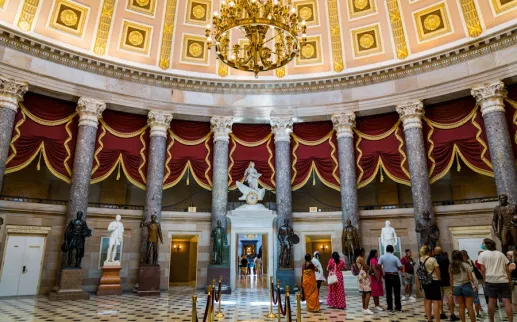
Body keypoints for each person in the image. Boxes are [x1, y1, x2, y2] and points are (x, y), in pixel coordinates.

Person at [477, 238, 513, 322]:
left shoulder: (482, 255)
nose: (482, 244)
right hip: (503, 280)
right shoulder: (501, 254)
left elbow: (482, 270)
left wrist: (484, 280)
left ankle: (491, 320)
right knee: (506, 301)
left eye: (483, 243)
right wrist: (509, 279)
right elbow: (507, 268)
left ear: (486, 245)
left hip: (490, 280)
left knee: (491, 301)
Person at [450, 250, 476, 322]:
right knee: (470, 307)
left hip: (456, 287)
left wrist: (451, 289)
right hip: (466, 285)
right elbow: (470, 278)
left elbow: (451, 279)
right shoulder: (466, 265)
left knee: (461, 307)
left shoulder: (451, 267)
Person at [378, 244, 405, 312]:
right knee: (397, 292)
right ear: (392, 250)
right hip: (395, 275)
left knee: (388, 292)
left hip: (387, 276)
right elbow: (400, 267)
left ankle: (390, 307)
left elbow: (378, 266)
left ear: (386, 250)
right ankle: (398, 307)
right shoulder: (395, 258)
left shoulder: (382, 257)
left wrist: (382, 272)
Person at [434, 247, 458, 321]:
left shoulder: (433, 259)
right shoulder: (445, 259)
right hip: (446, 280)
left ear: (435, 251)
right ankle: (452, 314)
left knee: (440, 298)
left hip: (437, 281)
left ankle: (442, 313)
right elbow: (448, 269)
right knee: (449, 296)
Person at [420, 245, 442, 322]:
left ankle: (429, 319)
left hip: (425, 282)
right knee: (435, 302)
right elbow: (437, 271)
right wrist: (439, 278)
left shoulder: (421, 259)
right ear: (429, 251)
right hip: (434, 281)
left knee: (428, 300)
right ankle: (437, 320)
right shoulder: (433, 259)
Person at [461, 250, 484, 318]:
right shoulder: (470, 261)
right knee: (476, 298)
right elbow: (474, 273)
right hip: (473, 282)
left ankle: (469, 311)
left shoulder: (459, 264)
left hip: (464, 283)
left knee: (466, 299)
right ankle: (477, 313)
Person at [356, 248, 373, 315]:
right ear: (362, 252)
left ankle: (364, 308)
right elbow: (365, 267)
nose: (364, 253)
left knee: (364, 292)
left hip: (360, 275)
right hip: (363, 275)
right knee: (368, 292)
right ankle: (366, 308)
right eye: (364, 251)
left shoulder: (357, 258)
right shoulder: (361, 258)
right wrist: (370, 267)